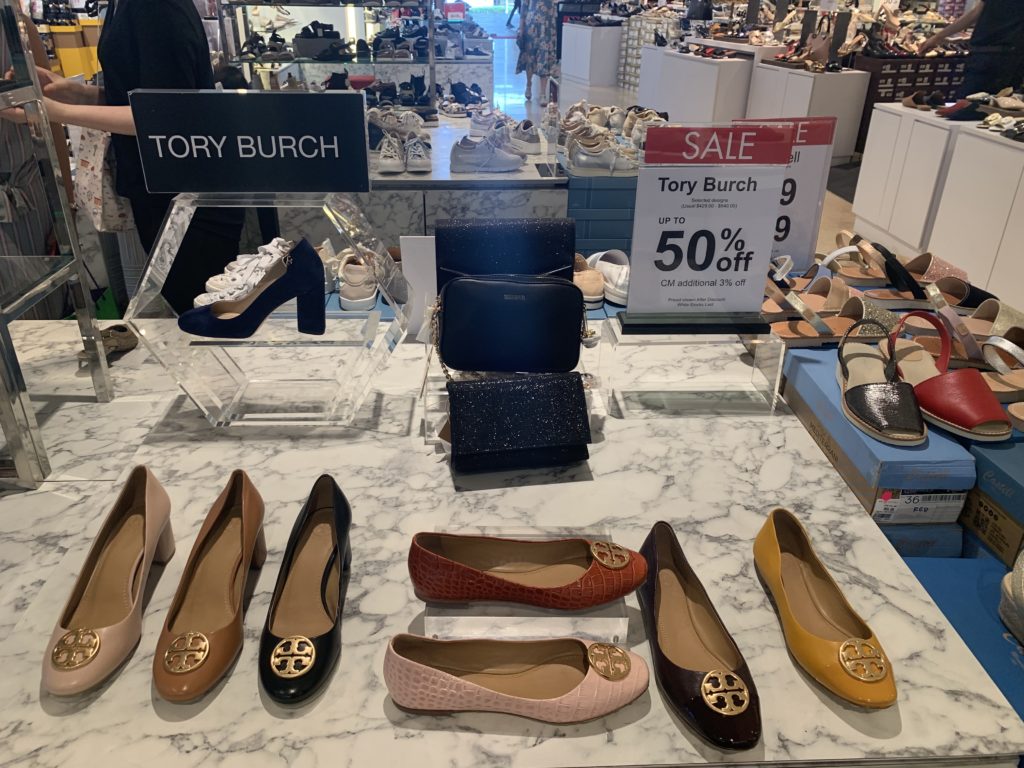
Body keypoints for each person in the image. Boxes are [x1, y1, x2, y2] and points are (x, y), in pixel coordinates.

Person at [2, 0, 245, 314]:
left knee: (202, 312)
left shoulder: (154, 7)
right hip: (165, 190)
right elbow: (143, 98)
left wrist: (55, 112)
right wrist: (73, 93)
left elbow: (166, 117)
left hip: (188, 195)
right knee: (192, 308)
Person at [919, 0, 1024, 98]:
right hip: (998, 54)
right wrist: (938, 38)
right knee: (979, 103)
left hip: (994, 54)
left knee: (968, 101)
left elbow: (975, 13)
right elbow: (976, 13)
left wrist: (937, 37)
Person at [516, 0, 558, 105]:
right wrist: (521, 28)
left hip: (548, 26)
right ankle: (529, 84)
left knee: (545, 58)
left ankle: (543, 93)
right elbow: (524, 7)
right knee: (530, 58)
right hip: (532, 26)